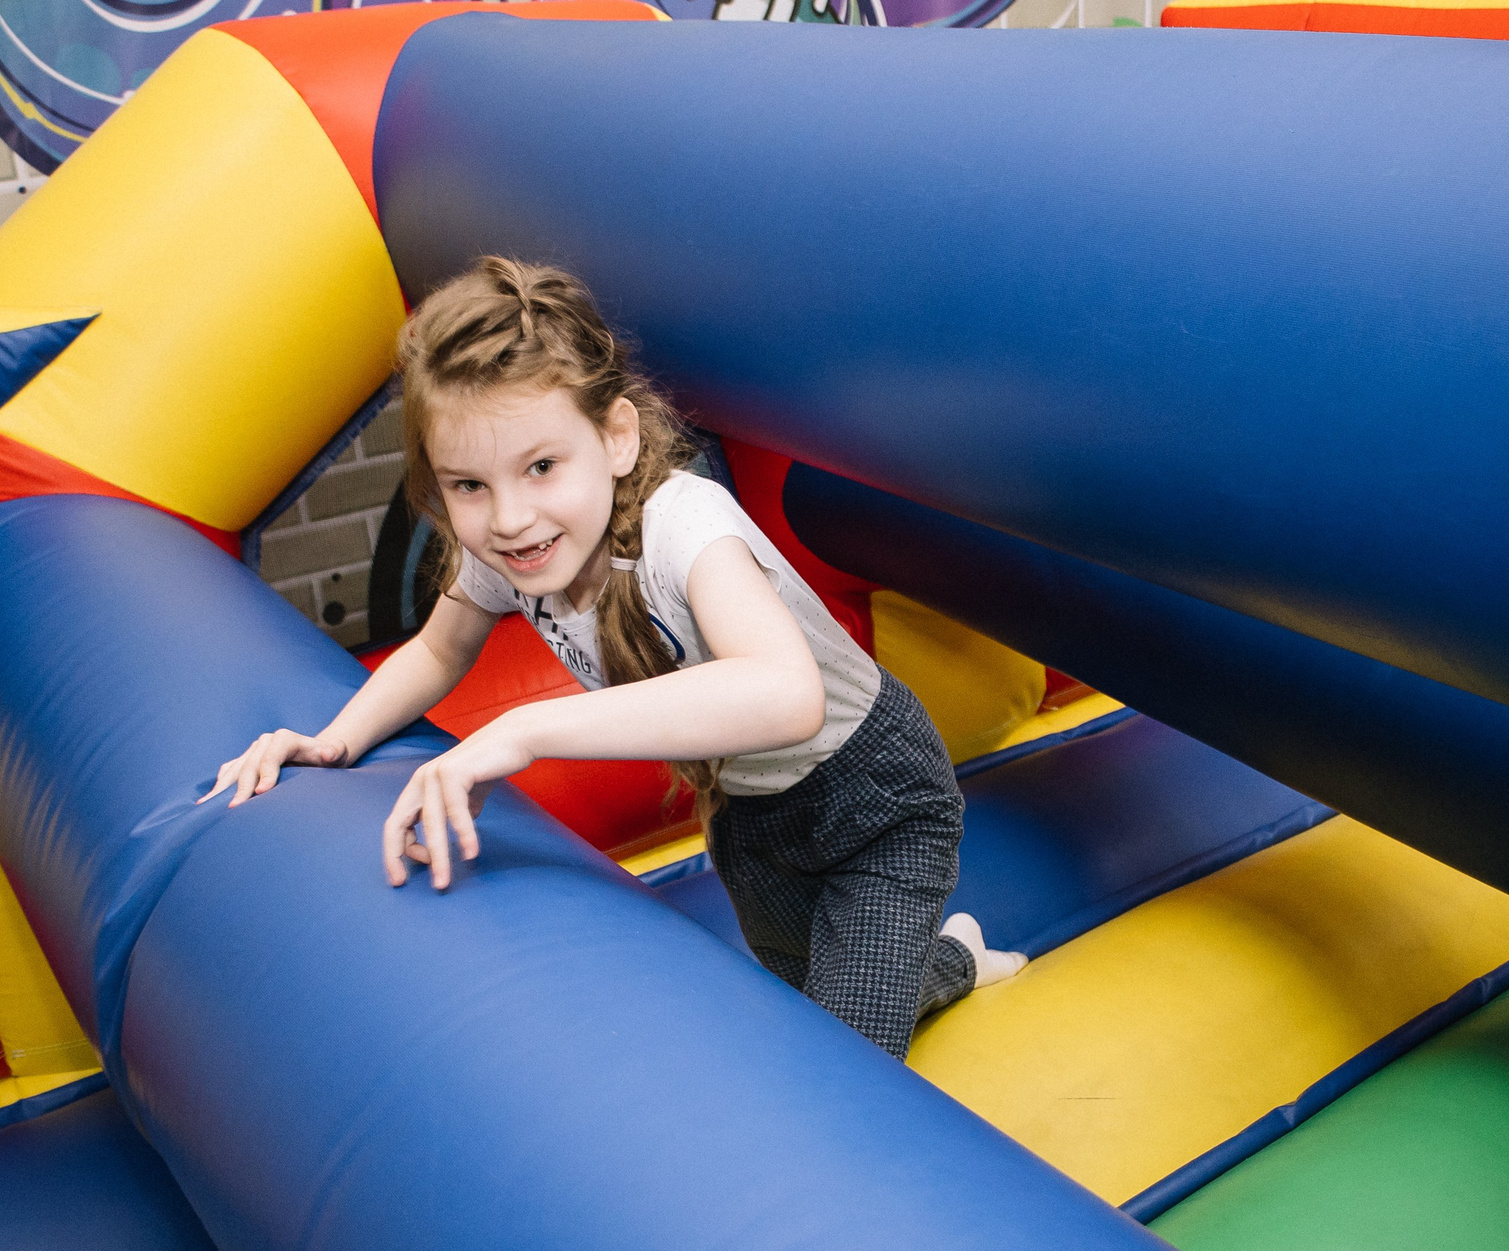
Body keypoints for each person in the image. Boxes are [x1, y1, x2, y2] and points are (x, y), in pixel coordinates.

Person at [203, 257, 1023, 1059]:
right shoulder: (503, 550)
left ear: (618, 437)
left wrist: (525, 729)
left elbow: (785, 694)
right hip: (752, 815)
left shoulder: (687, 530)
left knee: (843, 1060)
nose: (511, 517)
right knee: (805, 1010)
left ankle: (944, 959)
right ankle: (951, 960)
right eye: (467, 486)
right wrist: (332, 741)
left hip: (872, 797)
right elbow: (438, 648)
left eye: (542, 466)